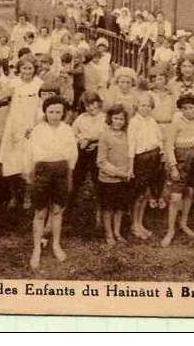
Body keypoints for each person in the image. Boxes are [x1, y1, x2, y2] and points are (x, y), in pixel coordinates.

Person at [26, 96, 78, 270]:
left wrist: (69, 175)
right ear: (45, 112)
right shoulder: (38, 131)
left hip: (61, 171)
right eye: (51, 112)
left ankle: (56, 244)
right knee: (40, 212)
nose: (54, 116)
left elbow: (72, 154)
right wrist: (31, 174)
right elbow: (31, 154)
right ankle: (36, 250)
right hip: (42, 171)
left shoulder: (68, 130)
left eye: (58, 112)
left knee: (57, 210)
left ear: (63, 113)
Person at [160, 94, 194, 247]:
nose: (188, 111)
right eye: (184, 108)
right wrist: (173, 167)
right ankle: (170, 230)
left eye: (191, 108)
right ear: (180, 110)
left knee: (190, 192)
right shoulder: (176, 124)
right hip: (180, 162)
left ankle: (184, 223)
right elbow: (169, 147)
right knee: (175, 197)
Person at [0, 56, 42, 209]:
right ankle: (13, 196)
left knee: (29, 162)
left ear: (34, 69)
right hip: (14, 124)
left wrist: (36, 126)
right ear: (19, 69)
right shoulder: (13, 83)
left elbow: (41, 107)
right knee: (11, 161)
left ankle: (28, 197)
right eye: (24, 68)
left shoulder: (39, 84)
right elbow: (1, 96)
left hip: (31, 125)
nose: (27, 71)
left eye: (30, 68)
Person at [127, 94, 164, 240]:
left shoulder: (152, 121)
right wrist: (131, 167)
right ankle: (134, 224)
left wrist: (161, 154)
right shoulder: (134, 122)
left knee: (146, 194)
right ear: (137, 106)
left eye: (148, 105)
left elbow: (159, 139)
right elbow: (131, 145)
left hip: (153, 158)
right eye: (142, 105)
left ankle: (140, 223)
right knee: (138, 194)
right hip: (140, 160)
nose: (145, 108)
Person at [97, 105, 132, 245]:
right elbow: (101, 161)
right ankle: (109, 233)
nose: (118, 122)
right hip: (108, 180)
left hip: (124, 179)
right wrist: (118, 173)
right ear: (110, 119)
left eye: (121, 119)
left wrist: (128, 171)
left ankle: (117, 232)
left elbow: (130, 155)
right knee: (108, 208)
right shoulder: (105, 136)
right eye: (115, 118)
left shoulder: (127, 134)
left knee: (119, 208)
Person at [69, 91, 105, 214]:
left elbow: (107, 136)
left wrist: (95, 141)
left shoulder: (104, 118)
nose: (91, 108)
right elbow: (72, 134)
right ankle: (69, 208)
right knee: (76, 178)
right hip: (82, 151)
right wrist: (80, 140)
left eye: (94, 104)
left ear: (99, 103)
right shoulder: (81, 119)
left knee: (99, 180)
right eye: (87, 105)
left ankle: (101, 212)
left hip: (99, 151)